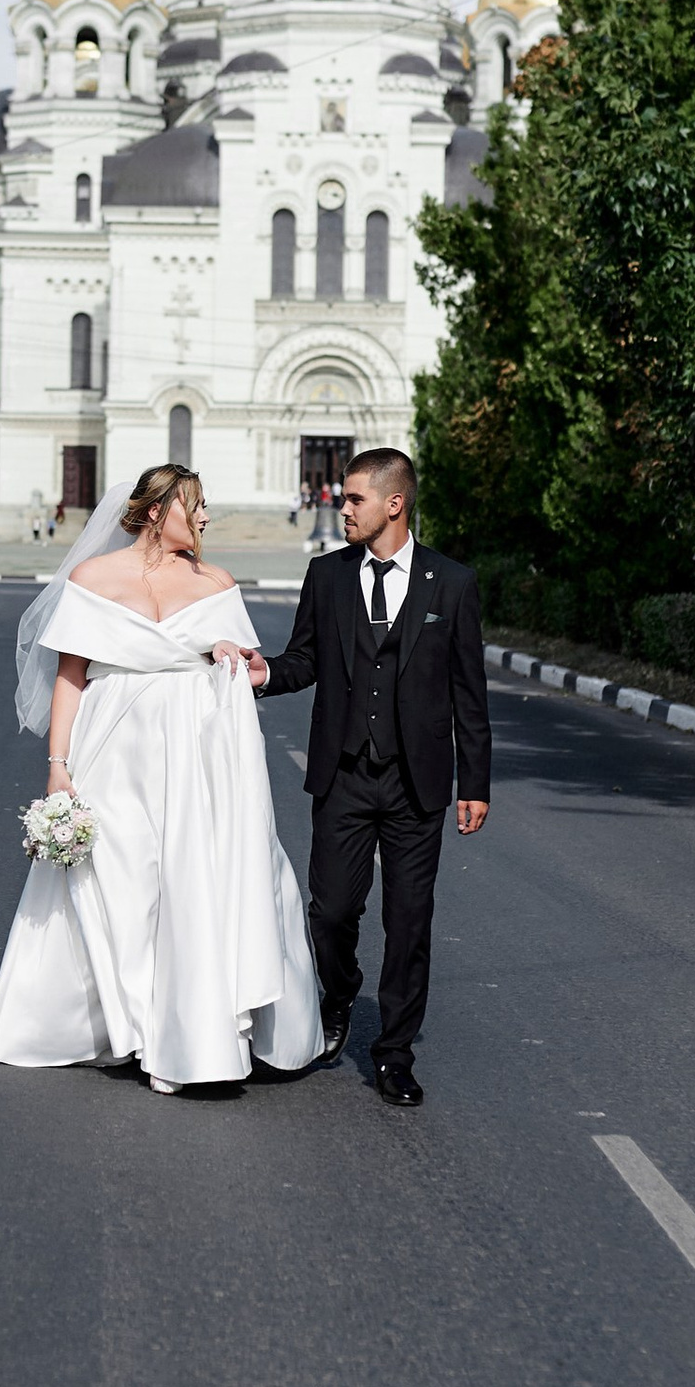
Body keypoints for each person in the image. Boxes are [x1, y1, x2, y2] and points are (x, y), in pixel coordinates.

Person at [0, 464, 324, 1093]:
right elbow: (71, 677)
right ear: (159, 511)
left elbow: (242, 664)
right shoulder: (91, 579)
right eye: (198, 505)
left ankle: (187, 1032)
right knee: (124, 882)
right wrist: (59, 768)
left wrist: (228, 657)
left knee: (190, 881)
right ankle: (131, 1023)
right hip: (116, 750)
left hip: (197, 755)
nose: (207, 518)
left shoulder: (216, 581)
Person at [250, 446, 489, 1110]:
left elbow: (469, 693)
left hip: (419, 785)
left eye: (353, 498)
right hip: (345, 775)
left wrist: (476, 782)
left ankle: (394, 1055)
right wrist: (265, 672)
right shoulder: (325, 577)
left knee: (409, 922)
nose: (340, 505)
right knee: (329, 913)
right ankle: (335, 996)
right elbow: (303, 659)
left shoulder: (453, 583)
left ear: (394, 503)